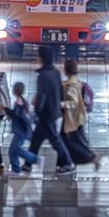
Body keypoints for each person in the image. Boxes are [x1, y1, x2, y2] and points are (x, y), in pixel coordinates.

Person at [28, 45, 74, 175]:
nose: (36, 58)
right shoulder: (55, 72)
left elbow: (42, 96)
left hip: (46, 114)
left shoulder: (42, 76)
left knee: (55, 141)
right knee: (36, 139)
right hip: (54, 111)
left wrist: (36, 111)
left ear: (42, 58)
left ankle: (68, 163)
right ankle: (27, 163)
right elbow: (60, 92)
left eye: (38, 56)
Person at [61, 58, 98, 167]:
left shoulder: (71, 85)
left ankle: (90, 157)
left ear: (66, 70)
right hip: (78, 117)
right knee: (78, 140)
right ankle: (86, 158)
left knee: (71, 142)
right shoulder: (76, 82)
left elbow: (73, 103)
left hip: (73, 118)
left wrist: (61, 104)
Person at [5, 81, 39, 175]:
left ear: (15, 91)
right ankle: (16, 169)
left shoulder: (19, 103)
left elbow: (16, 115)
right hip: (21, 131)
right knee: (14, 150)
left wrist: (5, 109)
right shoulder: (22, 101)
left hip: (20, 131)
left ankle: (33, 160)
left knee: (13, 150)